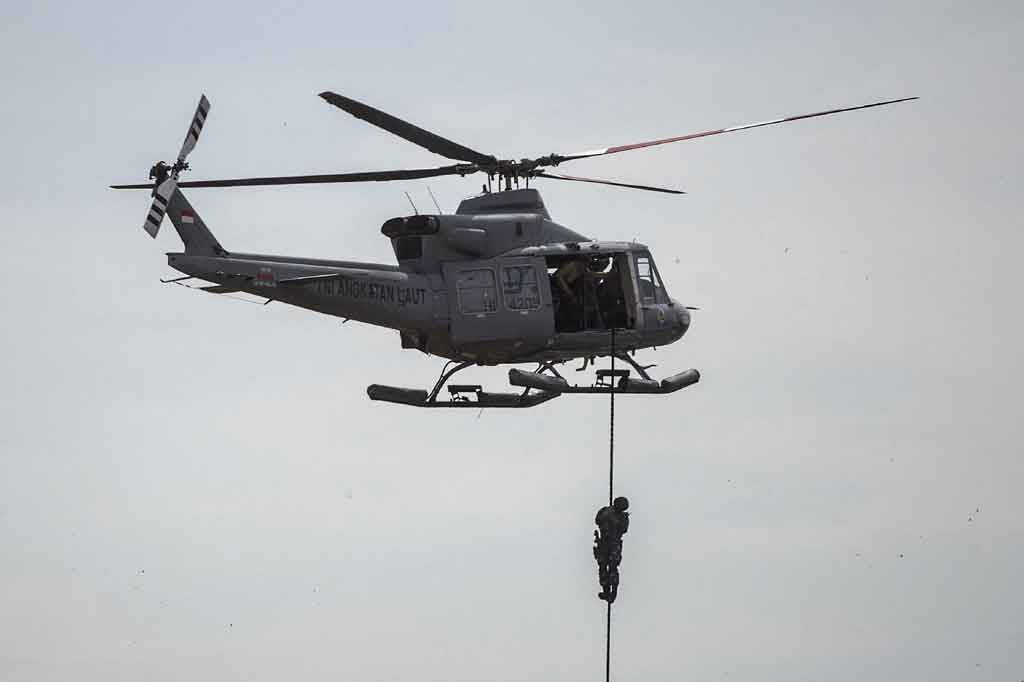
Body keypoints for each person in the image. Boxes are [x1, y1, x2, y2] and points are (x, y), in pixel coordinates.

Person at [593, 496, 630, 603]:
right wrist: (607, 518)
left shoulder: (622, 517)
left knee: (612, 568)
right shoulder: (606, 511)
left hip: (614, 544)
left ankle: (613, 593)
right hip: (604, 542)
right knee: (603, 567)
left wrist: (615, 522)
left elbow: (623, 529)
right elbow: (597, 520)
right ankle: (606, 591)